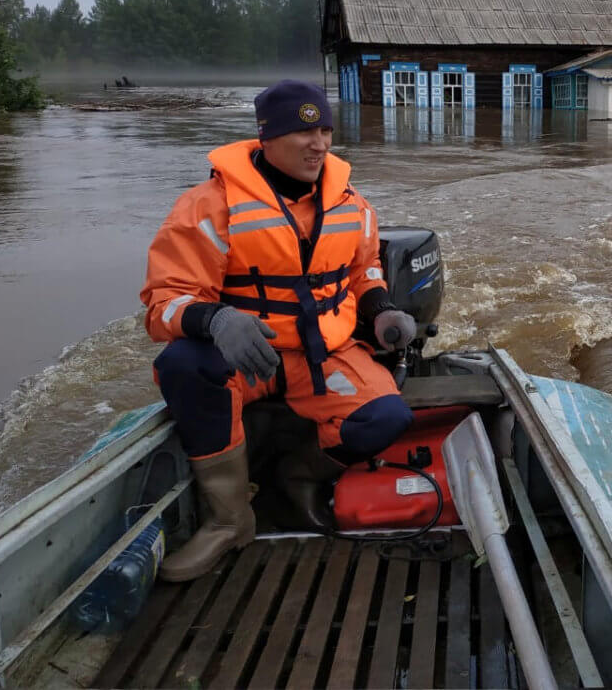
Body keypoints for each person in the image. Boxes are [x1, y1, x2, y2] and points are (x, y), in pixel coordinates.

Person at [140, 79, 416, 582]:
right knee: (183, 364)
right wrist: (216, 319)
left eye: (326, 131)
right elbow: (164, 302)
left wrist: (381, 309)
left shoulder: (351, 202)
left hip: (325, 353)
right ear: (265, 138)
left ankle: (298, 476)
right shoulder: (207, 207)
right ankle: (229, 519)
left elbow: (364, 270)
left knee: (387, 417)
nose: (320, 145)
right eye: (302, 132)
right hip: (248, 358)